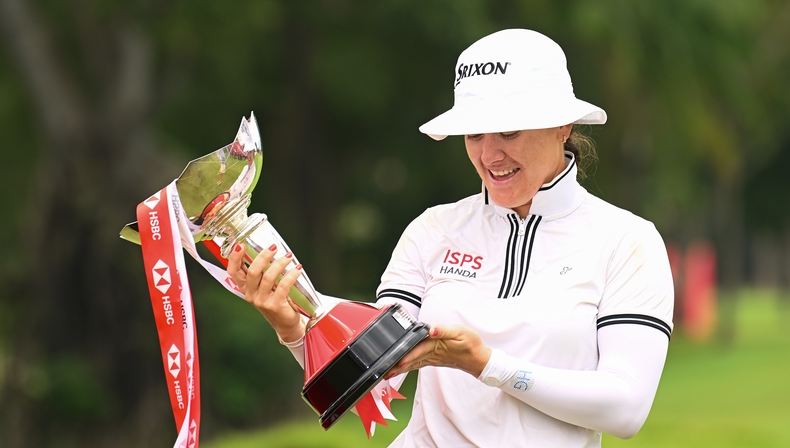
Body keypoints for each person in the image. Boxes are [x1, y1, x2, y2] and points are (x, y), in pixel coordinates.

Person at [226, 28, 673, 447]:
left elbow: (625, 409)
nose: (489, 154)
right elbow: (373, 383)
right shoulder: (433, 230)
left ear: (563, 126)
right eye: (474, 133)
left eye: (509, 131)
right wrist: (292, 326)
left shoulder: (627, 241)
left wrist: (484, 364)